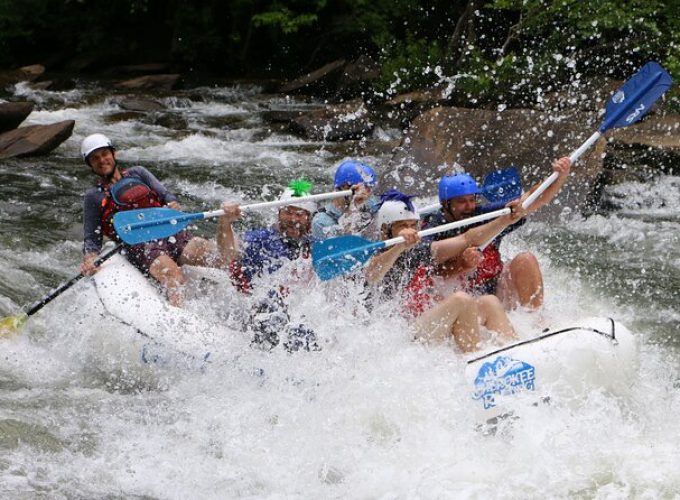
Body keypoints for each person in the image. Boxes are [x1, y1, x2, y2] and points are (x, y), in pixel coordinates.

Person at [80, 133, 233, 307]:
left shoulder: (138, 173)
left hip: (171, 233)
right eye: (95, 158)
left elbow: (166, 195)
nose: (101, 160)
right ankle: (180, 324)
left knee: (217, 257)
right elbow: (92, 237)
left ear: (114, 154)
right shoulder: (94, 195)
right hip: (140, 245)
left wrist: (172, 203)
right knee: (175, 278)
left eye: (104, 154)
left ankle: (244, 288)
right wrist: (90, 259)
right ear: (90, 164)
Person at [364, 190, 522, 353]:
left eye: (413, 225)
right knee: (461, 300)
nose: (410, 231)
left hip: (428, 325)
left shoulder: (418, 251)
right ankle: (478, 362)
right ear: (385, 230)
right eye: (403, 226)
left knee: (488, 302)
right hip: (401, 338)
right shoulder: (373, 256)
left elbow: (466, 239)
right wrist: (398, 246)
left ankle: (517, 354)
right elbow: (372, 274)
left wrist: (505, 220)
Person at [422, 157, 572, 310]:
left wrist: (559, 176)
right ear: (446, 204)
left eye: (472, 200)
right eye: (461, 202)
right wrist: (462, 265)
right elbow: (431, 274)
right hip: (457, 300)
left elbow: (532, 199)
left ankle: (536, 322)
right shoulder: (433, 227)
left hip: (493, 290)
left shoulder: (481, 214)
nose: (469, 207)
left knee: (525, 260)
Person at [220, 188, 319, 352]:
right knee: (274, 310)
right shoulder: (260, 239)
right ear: (279, 213)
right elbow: (228, 253)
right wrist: (225, 223)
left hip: (297, 311)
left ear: (308, 218)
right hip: (262, 310)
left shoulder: (315, 245)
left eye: (300, 214)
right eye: (288, 212)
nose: (293, 219)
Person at [311, 160, 380, 240]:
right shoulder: (321, 221)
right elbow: (345, 245)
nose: (366, 194)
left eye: (368, 189)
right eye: (360, 189)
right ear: (343, 187)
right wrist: (354, 206)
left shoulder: (372, 203)